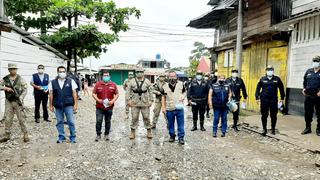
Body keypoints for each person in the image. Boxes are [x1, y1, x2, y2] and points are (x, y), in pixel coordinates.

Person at [0, 63, 29, 142]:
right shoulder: (5, 79)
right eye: (11, 69)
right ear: (8, 69)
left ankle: (25, 134)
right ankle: (7, 134)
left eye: (14, 69)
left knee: (21, 118)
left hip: (18, 101)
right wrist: (5, 88)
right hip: (8, 101)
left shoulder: (20, 78)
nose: (13, 70)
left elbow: (25, 89)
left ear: (16, 69)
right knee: (8, 118)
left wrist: (21, 97)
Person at [49, 66, 78, 143]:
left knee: (71, 121)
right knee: (59, 121)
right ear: (57, 73)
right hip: (58, 105)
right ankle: (61, 137)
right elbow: (51, 94)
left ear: (65, 72)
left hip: (68, 105)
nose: (62, 73)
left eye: (63, 71)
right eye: (60, 71)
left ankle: (73, 137)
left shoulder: (71, 81)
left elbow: (74, 93)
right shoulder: (53, 82)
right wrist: (50, 105)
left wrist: (75, 105)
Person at [255, 65, 285, 136]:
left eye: (271, 70)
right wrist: (257, 97)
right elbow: (258, 88)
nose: (269, 71)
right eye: (268, 70)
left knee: (273, 115)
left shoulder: (277, 79)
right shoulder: (262, 79)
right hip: (264, 100)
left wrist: (282, 98)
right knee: (264, 115)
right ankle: (264, 129)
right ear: (266, 71)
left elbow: (281, 88)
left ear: (273, 71)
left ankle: (273, 129)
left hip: (273, 100)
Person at [92, 71, 119, 141]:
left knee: (108, 121)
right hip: (99, 107)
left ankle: (106, 134)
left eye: (107, 75)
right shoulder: (98, 84)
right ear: (102, 76)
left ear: (109, 76)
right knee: (99, 121)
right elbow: (93, 93)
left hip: (109, 107)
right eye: (104, 75)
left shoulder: (113, 84)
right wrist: (98, 100)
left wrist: (112, 101)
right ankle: (98, 135)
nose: (106, 77)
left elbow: (117, 94)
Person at [127, 68, 153, 139]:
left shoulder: (147, 81)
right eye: (137, 72)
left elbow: (151, 91)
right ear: (135, 73)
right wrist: (128, 100)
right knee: (134, 118)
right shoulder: (132, 81)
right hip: (134, 103)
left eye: (141, 72)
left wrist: (151, 100)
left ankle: (149, 131)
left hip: (145, 103)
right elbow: (128, 91)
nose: (139, 73)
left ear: (143, 73)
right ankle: (132, 132)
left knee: (146, 117)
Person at [162, 70, 186, 145]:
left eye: (174, 76)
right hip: (169, 108)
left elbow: (185, 92)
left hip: (179, 108)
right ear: (168, 77)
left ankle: (181, 137)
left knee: (181, 124)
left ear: (176, 76)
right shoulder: (164, 86)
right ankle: (172, 136)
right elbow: (163, 97)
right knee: (170, 124)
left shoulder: (181, 84)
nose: (172, 77)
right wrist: (163, 107)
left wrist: (183, 96)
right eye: (171, 76)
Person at [301, 56, 320, 136]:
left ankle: (319, 129)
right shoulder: (309, 71)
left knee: (319, 113)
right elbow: (304, 81)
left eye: (317, 61)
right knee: (308, 113)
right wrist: (304, 88)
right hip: (308, 95)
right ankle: (308, 128)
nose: (315, 62)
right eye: (314, 61)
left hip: (318, 96)